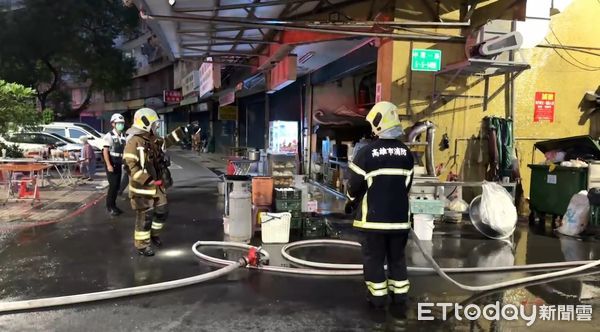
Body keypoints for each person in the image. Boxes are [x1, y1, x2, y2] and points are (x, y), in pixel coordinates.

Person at [346, 101, 414, 309]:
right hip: (400, 222)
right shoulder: (407, 154)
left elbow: (354, 185)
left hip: (373, 221)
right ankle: (400, 296)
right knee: (397, 259)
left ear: (378, 124)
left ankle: (377, 298)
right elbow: (406, 186)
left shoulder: (367, 153)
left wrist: (350, 201)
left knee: (374, 260)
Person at [123, 108, 172, 257]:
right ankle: (142, 245)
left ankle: (153, 234)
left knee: (162, 211)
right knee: (145, 217)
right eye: (154, 123)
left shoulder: (153, 139)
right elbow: (131, 167)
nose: (156, 126)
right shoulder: (133, 142)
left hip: (157, 186)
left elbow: (167, 142)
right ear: (145, 123)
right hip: (143, 189)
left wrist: (185, 131)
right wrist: (149, 180)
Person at [103, 113, 127, 216]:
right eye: (118, 123)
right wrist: (108, 165)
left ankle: (114, 205)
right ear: (113, 124)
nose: (120, 125)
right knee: (113, 186)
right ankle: (110, 207)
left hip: (119, 162)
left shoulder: (124, 136)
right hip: (111, 162)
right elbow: (105, 151)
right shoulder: (109, 136)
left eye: (122, 123)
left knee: (117, 186)